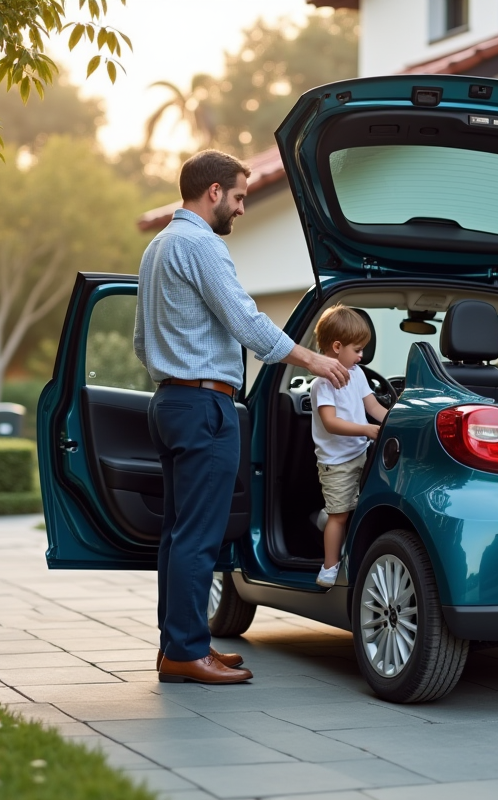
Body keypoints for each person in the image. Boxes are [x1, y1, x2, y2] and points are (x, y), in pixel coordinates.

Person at [134, 150, 349, 685]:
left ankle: (179, 646)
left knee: (178, 534)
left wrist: (176, 366)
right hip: (202, 405)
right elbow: (247, 321)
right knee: (198, 535)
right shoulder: (201, 245)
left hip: (170, 402)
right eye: (238, 197)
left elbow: (141, 342)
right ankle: (186, 652)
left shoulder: (158, 247)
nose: (241, 208)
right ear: (213, 192)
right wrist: (314, 359)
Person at [308, 305, 390, 588]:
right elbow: (330, 422)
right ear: (337, 347)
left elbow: (373, 407)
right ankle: (329, 568)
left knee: (359, 509)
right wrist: (366, 429)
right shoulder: (323, 383)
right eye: (357, 349)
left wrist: (395, 421)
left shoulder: (357, 374)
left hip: (360, 454)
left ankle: (351, 557)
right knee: (339, 515)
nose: (361, 356)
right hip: (337, 462)